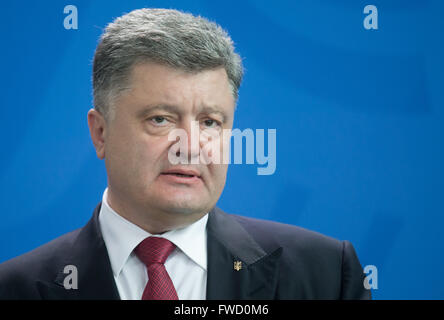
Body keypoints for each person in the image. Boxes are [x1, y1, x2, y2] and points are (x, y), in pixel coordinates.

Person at [0, 8, 371, 300]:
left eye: (210, 122)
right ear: (100, 132)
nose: (190, 145)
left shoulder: (324, 276)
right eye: (160, 119)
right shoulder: (15, 288)